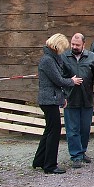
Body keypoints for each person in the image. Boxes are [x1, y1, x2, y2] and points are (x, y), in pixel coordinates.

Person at [33, 34, 82, 174]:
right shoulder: (48, 60)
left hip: (51, 99)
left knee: (49, 130)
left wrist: (62, 97)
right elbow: (58, 80)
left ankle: (39, 160)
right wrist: (72, 81)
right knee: (54, 132)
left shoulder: (52, 58)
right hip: (49, 100)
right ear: (58, 45)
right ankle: (50, 165)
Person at [61, 33, 94, 169]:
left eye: (77, 45)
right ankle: (75, 155)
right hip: (70, 98)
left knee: (85, 128)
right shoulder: (64, 57)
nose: (74, 47)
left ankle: (82, 151)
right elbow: (59, 77)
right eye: (73, 44)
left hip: (87, 98)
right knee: (72, 129)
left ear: (84, 45)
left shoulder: (92, 57)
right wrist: (65, 90)